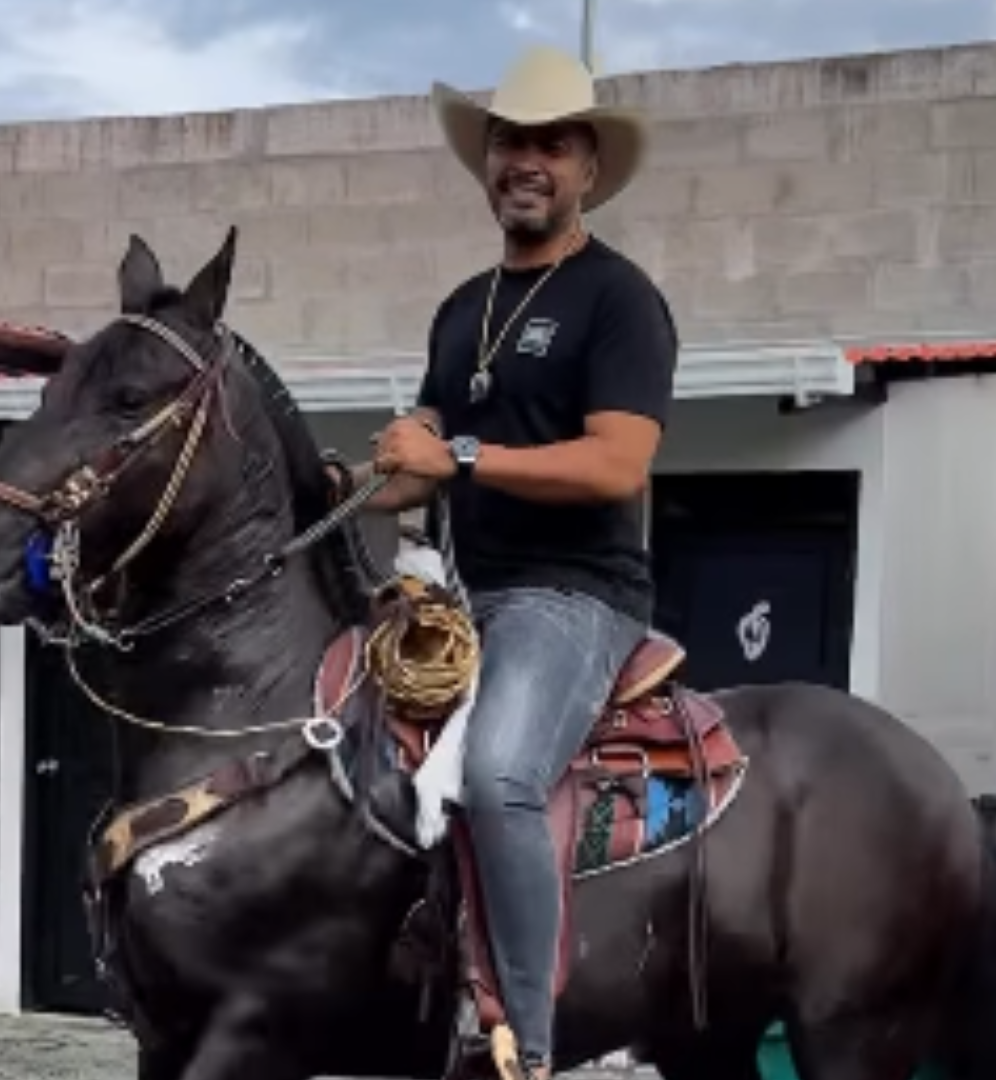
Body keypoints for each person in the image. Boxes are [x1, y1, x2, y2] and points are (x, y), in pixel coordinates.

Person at [364, 44, 679, 1080]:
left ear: (588, 165)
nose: (526, 161)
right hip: (462, 593)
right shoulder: (462, 311)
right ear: (487, 162)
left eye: (551, 143)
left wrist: (453, 454)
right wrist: (357, 484)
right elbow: (417, 467)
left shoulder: (618, 300)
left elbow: (618, 462)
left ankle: (530, 1050)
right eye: (510, 142)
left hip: (575, 595)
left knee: (500, 774)